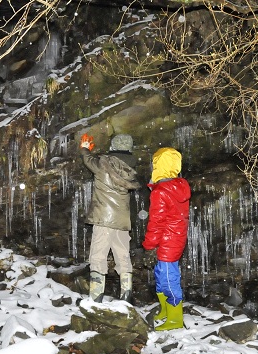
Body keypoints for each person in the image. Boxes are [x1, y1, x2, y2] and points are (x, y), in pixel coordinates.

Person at [80, 133, 141, 303]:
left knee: (98, 256)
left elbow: (87, 160)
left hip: (104, 218)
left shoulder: (103, 163)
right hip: (122, 220)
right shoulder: (132, 166)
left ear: (113, 147)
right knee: (122, 255)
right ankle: (126, 295)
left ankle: (95, 297)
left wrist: (85, 148)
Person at [142, 147, 191, 331]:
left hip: (166, 241)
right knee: (161, 275)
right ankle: (165, 310)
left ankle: (175, 319)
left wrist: (149, 245)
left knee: (169, 280)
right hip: (176, 239)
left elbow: (156, 222)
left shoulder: (161, 191)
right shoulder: (180, 187)